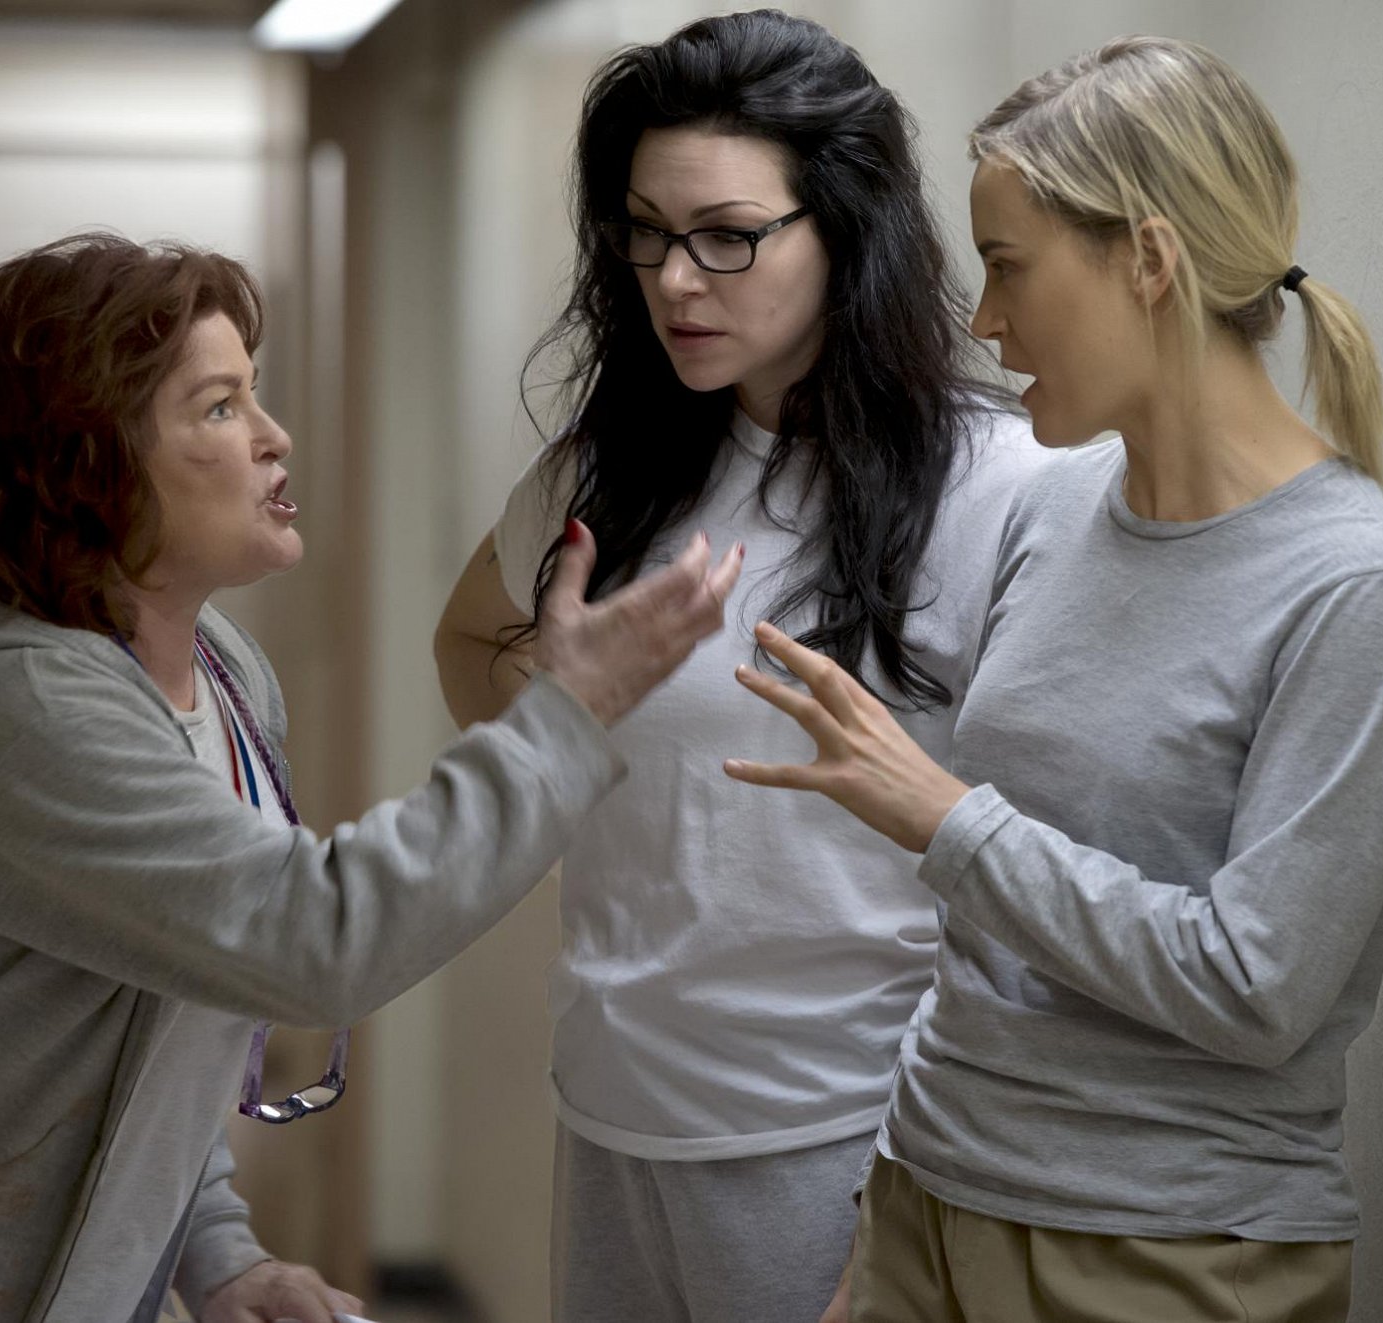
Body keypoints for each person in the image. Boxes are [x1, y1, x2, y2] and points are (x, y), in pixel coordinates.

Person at [0, 232, 741, 1323]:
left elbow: (166, 998)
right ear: (87, 460)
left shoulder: (225, 673)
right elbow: (314, 943)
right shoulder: (20, 711)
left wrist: (217, 1255)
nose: (274, 436)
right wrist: (565, 720)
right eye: (219, 408)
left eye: (253, 395)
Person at [723, 35, 1383, 1323]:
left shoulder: (1361, 587)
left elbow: (1258, 989)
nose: (985, 321)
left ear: (1150, 261)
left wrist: (951, 822)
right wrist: (888, 1229)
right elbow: (990, 945)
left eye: (1008, 265)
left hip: (1168, 1248)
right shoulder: (1053, 508)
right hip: (928, 1195)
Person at [433, 11, 1042, 1320]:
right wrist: (566, 766)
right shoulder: (610, 473)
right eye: (646, 232)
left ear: (848, 231)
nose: (674, 279)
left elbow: (1044, 865)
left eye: (726, 235)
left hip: (849, 1137)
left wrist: (919, 1197)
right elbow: (466, 636)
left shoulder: (1002, 486)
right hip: (610, 1105)